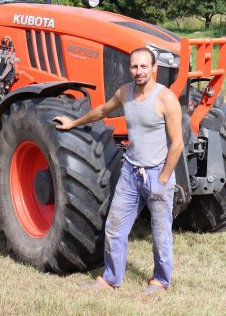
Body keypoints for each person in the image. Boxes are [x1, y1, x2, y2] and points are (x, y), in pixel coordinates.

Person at [53, 47, 184, 294]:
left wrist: (164, 178)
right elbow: (102, 110)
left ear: (154, 68)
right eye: (134, 66)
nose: (139, 71)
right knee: (115, 227)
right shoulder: (125, 93)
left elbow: (177, 144)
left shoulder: (165, 99)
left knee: (160, 233)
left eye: (144, 66)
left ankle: (160, 281)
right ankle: (111, 278)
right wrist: (74, 122)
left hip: (158, 173)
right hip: (130, 173)